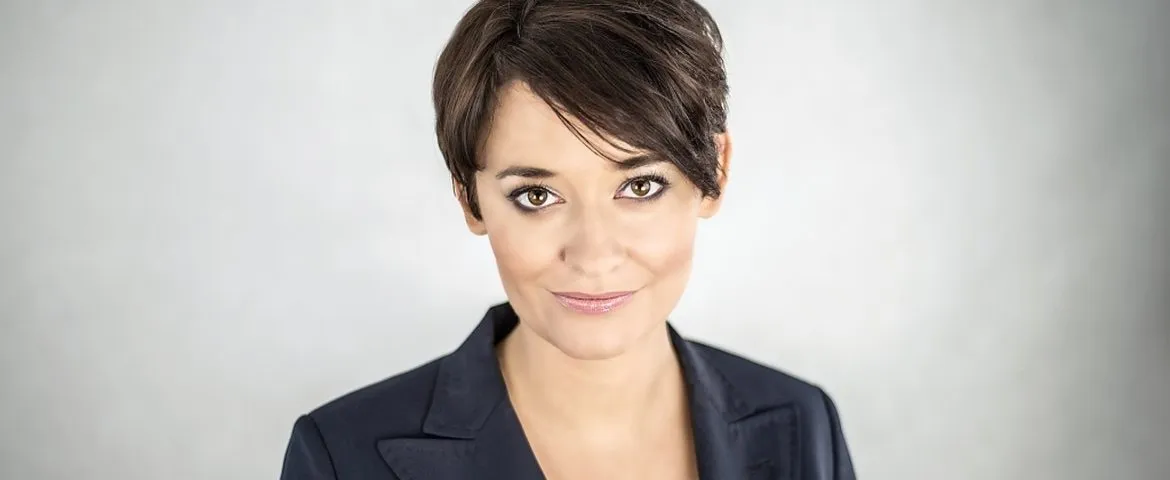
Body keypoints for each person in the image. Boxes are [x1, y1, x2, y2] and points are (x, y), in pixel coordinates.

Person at [280, 0, 856, 478]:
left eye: (640, 185)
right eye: (537, 195)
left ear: (716, 173)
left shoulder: (805, 427)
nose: (594, 254)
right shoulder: (339, 459)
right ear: (469, 198)